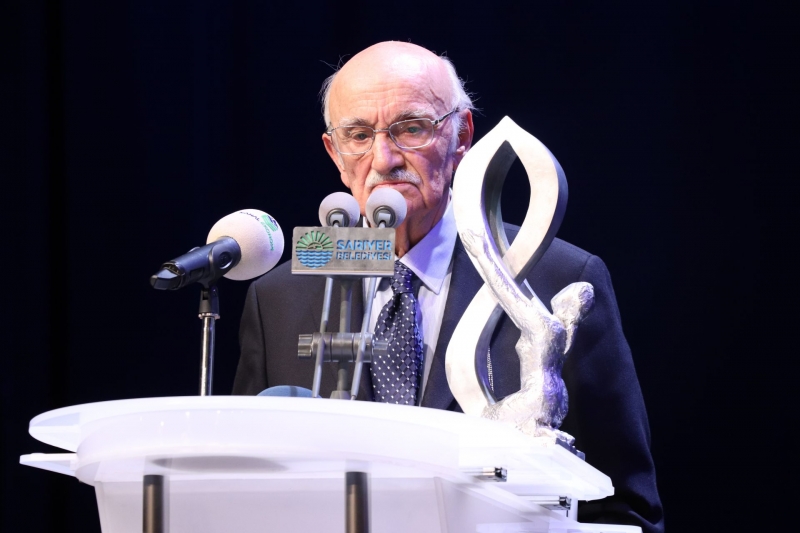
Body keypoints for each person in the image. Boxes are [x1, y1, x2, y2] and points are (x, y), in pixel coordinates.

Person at [233, 41, 664, 532]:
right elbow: (247, 494)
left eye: (411, 128)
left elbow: (625, 509)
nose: (384, 159)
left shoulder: (559, 277)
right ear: (335, 153)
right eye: (358, 135)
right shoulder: (279, 299)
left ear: (461, 136)